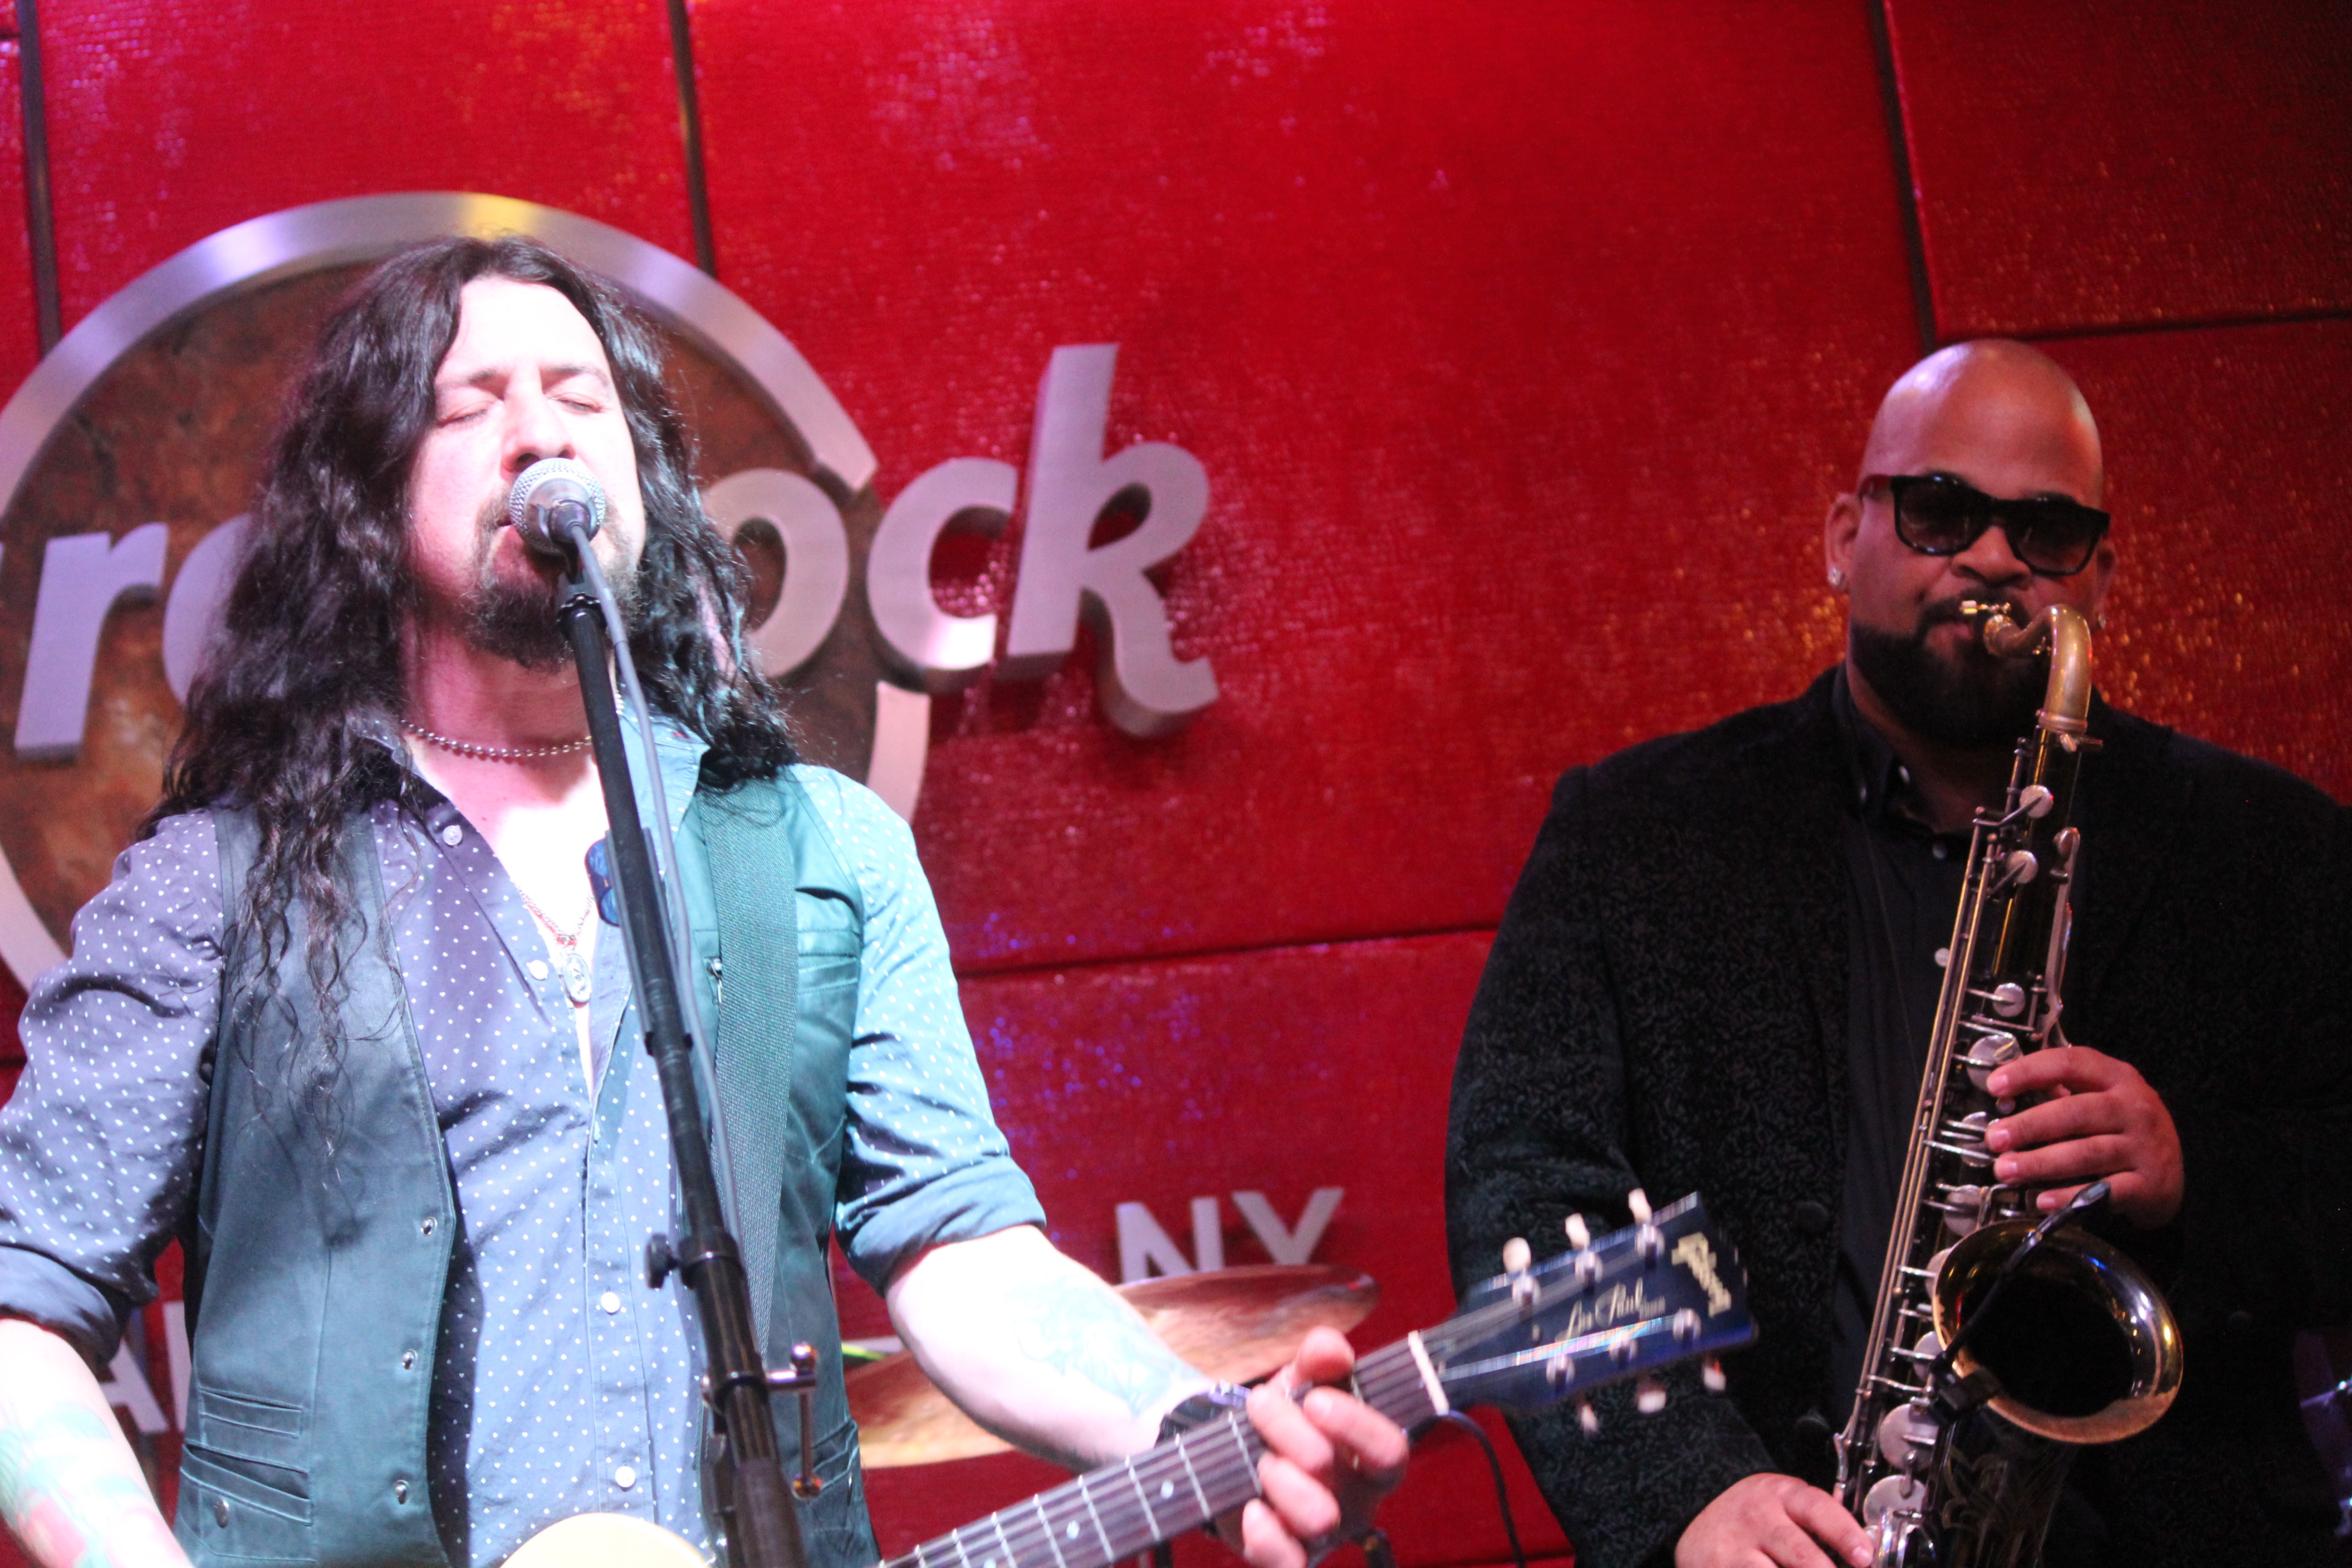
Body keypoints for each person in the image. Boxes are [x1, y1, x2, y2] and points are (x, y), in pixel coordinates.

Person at [0, 237, 1407, 1568]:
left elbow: (959, 1248)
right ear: (367, 501)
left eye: (581, 398)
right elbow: (20, 1316)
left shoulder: (811, 846)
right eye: (470, 404)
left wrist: (1191, 1425)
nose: (541, 435)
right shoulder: (224, 881)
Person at [1446, 340, 2349, 1568]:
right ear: (1843, 538)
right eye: (1940, 511)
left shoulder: (2273, 847)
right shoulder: (1637, 833)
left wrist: (2197, 1171)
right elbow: (1529, 1197)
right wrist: (1686, 1494)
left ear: (2102, 578)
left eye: (2048, 531)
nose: (1993, 559)